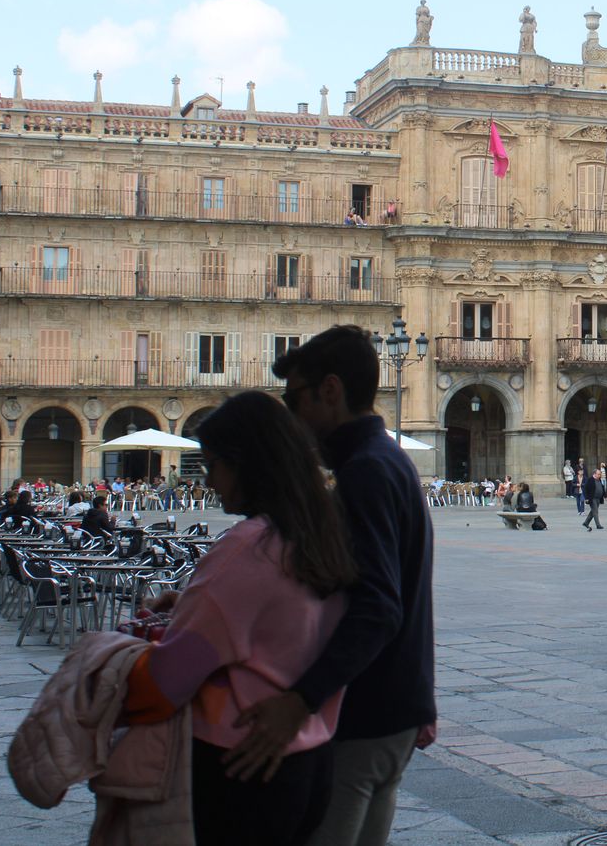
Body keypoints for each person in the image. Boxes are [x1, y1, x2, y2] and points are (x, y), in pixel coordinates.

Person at [228, 325, 436, 846]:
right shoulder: (387, 463)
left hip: (365, 714)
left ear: (329, 391)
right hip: (394, 709)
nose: (290, 414)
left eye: (293, 397)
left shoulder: (367, 471)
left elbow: (379, 607)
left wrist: (300, 701)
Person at [124, 391, 355, 846]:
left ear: (247, 464)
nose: (209, 481)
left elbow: (168, 680)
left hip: (241, 766)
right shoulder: (321, 535)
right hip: (310, 760)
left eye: (213, 465)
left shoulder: (246, 548)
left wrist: (114, 648)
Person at [581, 466, 604, 531]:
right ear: (594, 474)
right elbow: (585, 489)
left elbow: (601, 487)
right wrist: (586, 498)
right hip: (592, 498)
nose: (600, 475)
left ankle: (586, 523)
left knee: (593, 511)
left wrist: (604, 495)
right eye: (598, 474)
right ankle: (598, 525)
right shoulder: (590, 480)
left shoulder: (598, 480)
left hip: (598, 498)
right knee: (595, 511)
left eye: (600, 474)